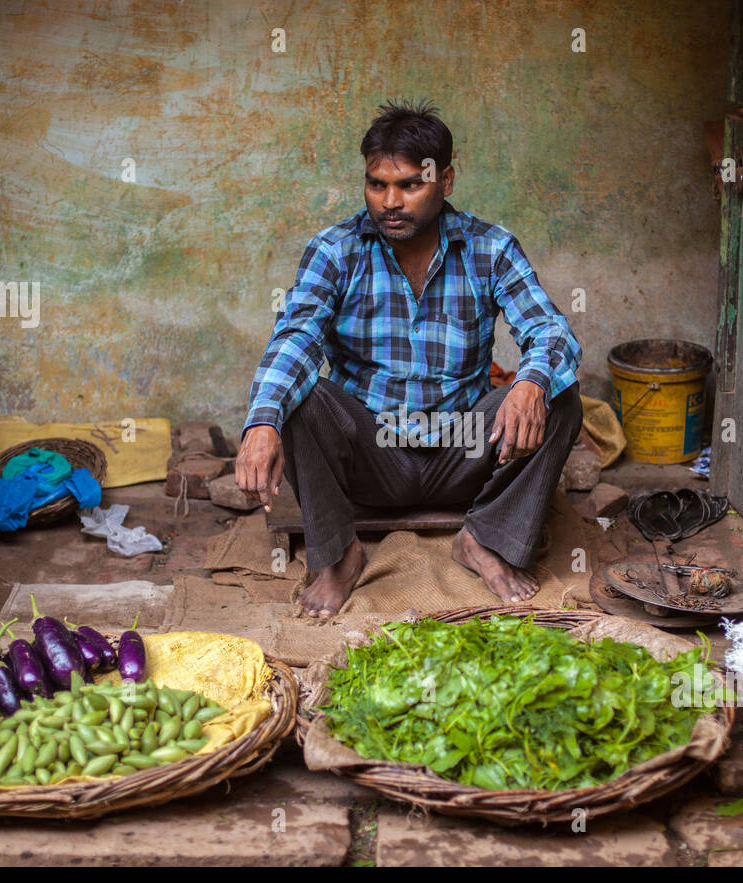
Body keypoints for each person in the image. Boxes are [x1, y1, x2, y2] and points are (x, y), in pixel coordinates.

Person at [235, 98, 583, 617]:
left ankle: (483, 539)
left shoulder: (491, 248)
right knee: (299, 398)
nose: (390, 201)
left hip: (462, 443)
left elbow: (550, 330)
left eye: (409, 185)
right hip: (371, 450)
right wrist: (262, 422)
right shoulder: (336, 251)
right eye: (378, 185)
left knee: (560, 394)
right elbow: (296, 337)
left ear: (445, 181)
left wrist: (532, 382)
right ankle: (339, 555)